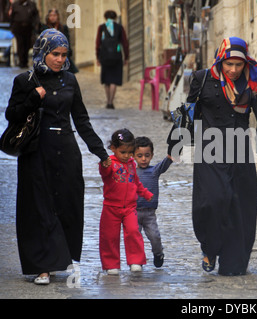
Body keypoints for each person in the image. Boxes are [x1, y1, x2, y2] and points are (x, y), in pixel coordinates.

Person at [168, 37, 257, 276]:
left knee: (239, 208)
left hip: (240, 151)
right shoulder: (202, 78)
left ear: (245, 64)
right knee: (211, 202)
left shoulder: (254, 81)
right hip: (209, 150)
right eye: (228, 64)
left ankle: (233, 261)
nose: (233, 70)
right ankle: (210, 248)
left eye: (238, 65)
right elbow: (190, 111)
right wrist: (177, 144)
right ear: (220, 60)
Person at [5, 29, 111, 285]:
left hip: (66, 152)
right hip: (36, 153)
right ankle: (42, 267)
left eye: (64, 55)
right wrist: (33, 98)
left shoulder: (70, 81)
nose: (60, 59)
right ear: (43, 52)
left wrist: (101, 153)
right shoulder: (25, 80)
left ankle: (60, 258)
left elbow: (82, 120)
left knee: (66, 205)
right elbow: (12, 115)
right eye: (55, 54)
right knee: (40, 208)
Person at [99, 129, 153, 275]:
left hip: (129, 207)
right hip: (111, 207)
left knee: (134, 232)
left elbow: (136, 182)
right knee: (110, 236)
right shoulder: (109, 162)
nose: (127, 156)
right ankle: (111, 264)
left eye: (130, 152)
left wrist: (145, 193)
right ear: (113, 149)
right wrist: (104, 164)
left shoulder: (131, 164)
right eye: (123, 152)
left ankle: (136, 260)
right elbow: (104, 174)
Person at [134, 136, 173, 268]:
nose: (143, 159)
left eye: (147, 155)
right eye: (139, 156)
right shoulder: (131, 172)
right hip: (133, 213)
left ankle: (158, 253)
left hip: (149, 213)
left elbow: (165, 163)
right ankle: (137, 260)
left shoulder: (154, 171)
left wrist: (171, 154)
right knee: (134, 238)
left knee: (154, 236)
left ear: (151, 155)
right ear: (133, 156)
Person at [95, 10, 129, 109]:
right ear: (115, 18)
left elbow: (98, 44)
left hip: (104, 56)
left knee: (107, 80)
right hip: (116, 57)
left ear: (105, 17)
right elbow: (125, 43)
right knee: (114, 79)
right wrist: (126, 57)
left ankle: (107, 101)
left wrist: (97, 57)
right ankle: (111, 102)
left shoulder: (101, 27)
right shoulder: (119, 28)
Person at [40, 8, 78, 73]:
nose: (52, 17)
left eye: (54, 15)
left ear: (57, 16)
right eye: (51, 15)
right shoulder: (44, 28)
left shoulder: (63, 28)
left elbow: (67, 41)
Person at [9, 0, 39, 68]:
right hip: (18, 27)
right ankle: (21, 61)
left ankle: (25, 61)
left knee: (27, 44)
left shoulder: (31, 4)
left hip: (28, 27)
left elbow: (35, 15)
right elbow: (12, 16)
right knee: (20, 44)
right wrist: (12, 27)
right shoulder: (15, 5)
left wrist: (35, 25)